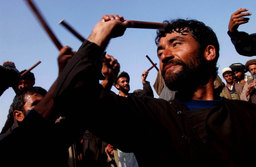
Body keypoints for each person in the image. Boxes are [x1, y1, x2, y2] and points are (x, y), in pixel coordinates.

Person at [48, 14, 256, 167]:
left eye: (176, 44)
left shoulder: (247, 115)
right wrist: (98, 38)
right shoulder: (149, 116)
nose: (164, 55)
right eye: (160, 51)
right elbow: (71, 96)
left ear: (209, 52)